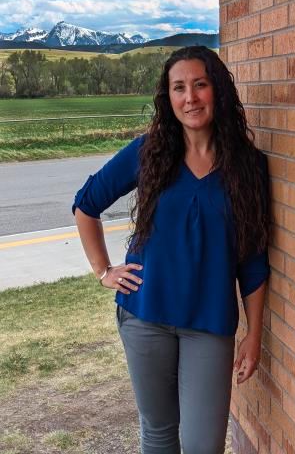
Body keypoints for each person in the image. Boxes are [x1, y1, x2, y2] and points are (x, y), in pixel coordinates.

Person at [72, 45, 271, 453]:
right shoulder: (150, 152)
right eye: (179, 88)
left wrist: (254, 333)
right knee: (159, 433)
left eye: (200, 85)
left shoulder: (248, 166)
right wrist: (103, 270)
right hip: (145, 318)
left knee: (204, 444)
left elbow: (252, 260)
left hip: (209, 325)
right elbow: (86, 204)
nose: (190, 97)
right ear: (169, 98)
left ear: (217, 90)